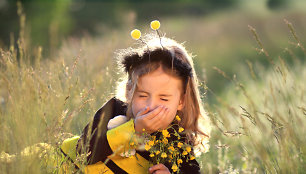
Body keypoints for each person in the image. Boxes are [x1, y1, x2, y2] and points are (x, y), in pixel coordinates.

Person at [61, 29, 210, 174]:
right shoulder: (115, 109)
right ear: (129, 91)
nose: (151, 106)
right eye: (143, 96)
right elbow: (83, 152)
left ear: (181, 101)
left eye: (163, 98)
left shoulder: (178, 138)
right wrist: (134, 130)